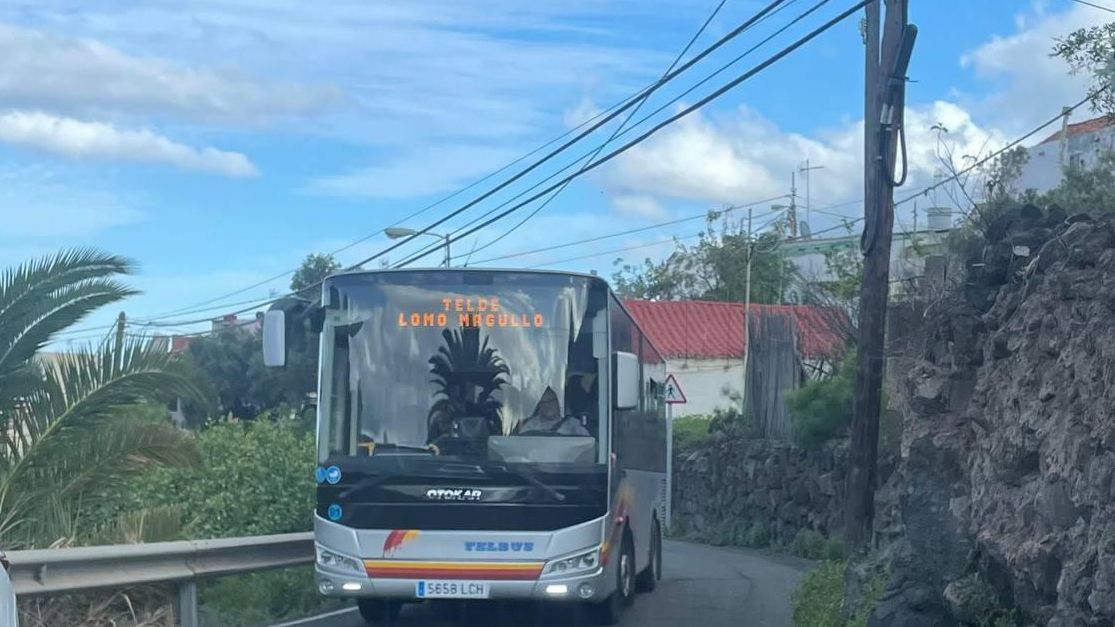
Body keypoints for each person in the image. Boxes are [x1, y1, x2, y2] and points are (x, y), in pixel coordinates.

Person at [514, 386, 589, 436]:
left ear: (558, 402)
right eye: (543, 402)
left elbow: (586, 447)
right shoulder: (531, 425)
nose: (547, 405)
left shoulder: (573, 424)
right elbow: (520, 446)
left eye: (550, 401)